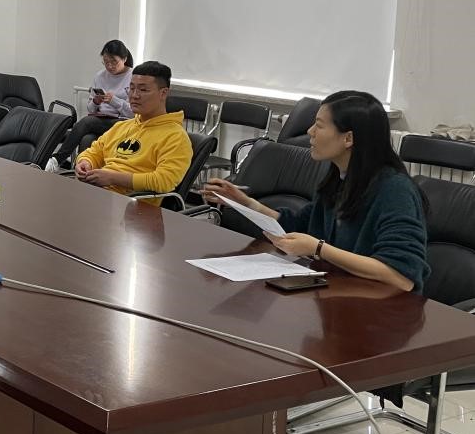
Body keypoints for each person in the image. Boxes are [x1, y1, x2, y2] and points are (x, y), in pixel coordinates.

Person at [205, 91, 428, 292]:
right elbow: (299, 225)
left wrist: (319, 248)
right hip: (339, 296)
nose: (310, 132)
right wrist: (245, 202)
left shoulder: (394, 190)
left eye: (319, 126)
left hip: (382, 310)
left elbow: (401, 277)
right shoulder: (339, 178)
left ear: (348, 138)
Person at [73, 60, 192, 204]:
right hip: (98, 195)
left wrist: (112, 178)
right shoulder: (122, 126)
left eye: (143, 90)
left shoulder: (175, 137)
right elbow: (94, 152)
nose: (134, 95)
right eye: (131, 88)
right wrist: (85, 162)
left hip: (132, 206)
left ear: (163, 93)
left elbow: (163, 181)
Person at [50, 40, 135, 171]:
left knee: (86, 122)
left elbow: (134, 112)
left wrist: (114, 101)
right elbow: (90, 109)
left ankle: (57, 159)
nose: (110, 66)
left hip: (123, 123)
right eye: (106, 62)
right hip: (100, 120)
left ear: (124, 58)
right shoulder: (100, 76)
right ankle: (81, 174)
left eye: (114, 62)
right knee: (87, 139)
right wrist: (95, 102)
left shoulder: (133, 77)